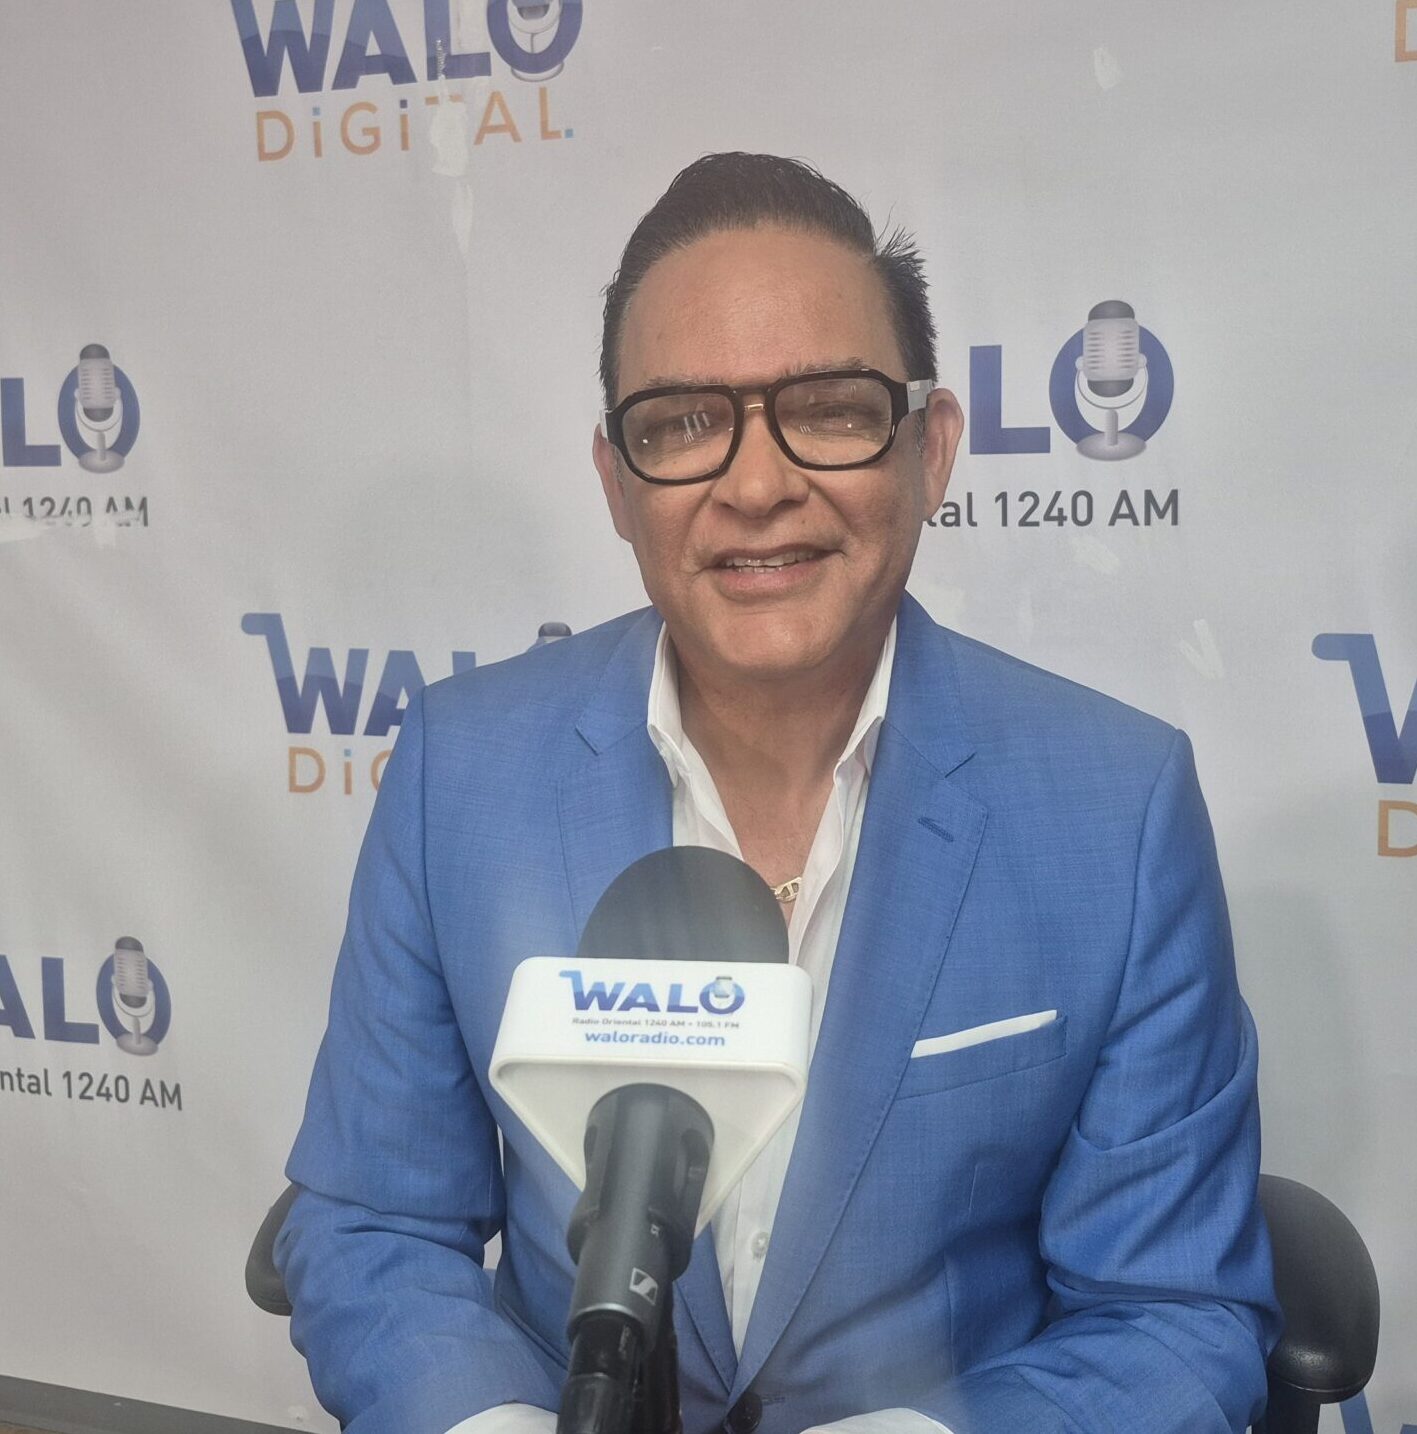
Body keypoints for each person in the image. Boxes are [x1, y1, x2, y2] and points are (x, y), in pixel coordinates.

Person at [278, 153, 1280, 1434]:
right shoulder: (458, 773)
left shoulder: (1116, 808)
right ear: (615, 483)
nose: (755, 486)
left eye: (829, 408)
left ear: (930, 450)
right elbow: (371, 1227)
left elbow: (1174, 1317)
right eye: (682, 423)